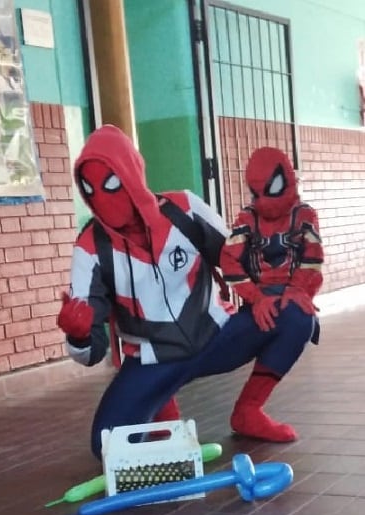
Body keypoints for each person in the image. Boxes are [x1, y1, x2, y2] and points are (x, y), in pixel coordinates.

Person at [57, 125, 317, 459]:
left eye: (111, 183)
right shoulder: (90, 248)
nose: (103, 199)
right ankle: (163, 412)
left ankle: (249, 411)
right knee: (106, 445)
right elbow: (90, 354)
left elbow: (239, 260)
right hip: (153, 361)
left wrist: (285, 287)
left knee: (296, 315)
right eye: (90, 190)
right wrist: (78, 336)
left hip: (217, 337)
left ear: (132, 174)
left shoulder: (185, 210)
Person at [220, 146, 323, 441]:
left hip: (290, 298)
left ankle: (250, 407)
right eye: (256, 194)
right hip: (257, 301)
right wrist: (255, 297)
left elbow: (312, 258)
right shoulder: (247, 219)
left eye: (271, 189)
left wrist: (297, 290)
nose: (264, 201)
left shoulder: (304, 216)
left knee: (300, 322)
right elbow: (229, 258)